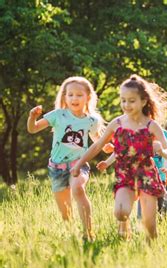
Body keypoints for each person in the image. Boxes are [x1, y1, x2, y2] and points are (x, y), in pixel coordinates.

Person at [71, 75, 167, 241]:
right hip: (125, 175)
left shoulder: (151, 125)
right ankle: (124, 229)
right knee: (120, 212)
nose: (126, 105)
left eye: (131, 101)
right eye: (123, 100)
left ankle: (152, 251)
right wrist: (80, 163)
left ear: (144, 101)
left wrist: (162, 151)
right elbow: (97, 146)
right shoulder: (117, 123)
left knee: (149, 224)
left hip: (147, 174)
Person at [27, 76, 111, 241]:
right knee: (65, 212)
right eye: (70, 94)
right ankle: (72, 234)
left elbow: (96, 139)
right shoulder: (58, 115)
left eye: (79, 95)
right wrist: (32, 117)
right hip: (57, 168)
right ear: (64, 97)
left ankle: (89, 233)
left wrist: (106, 147)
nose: (74, 98)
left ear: (88, 97)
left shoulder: (92, 120)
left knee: (78, 189)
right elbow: (33, 129)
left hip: (78, 165)